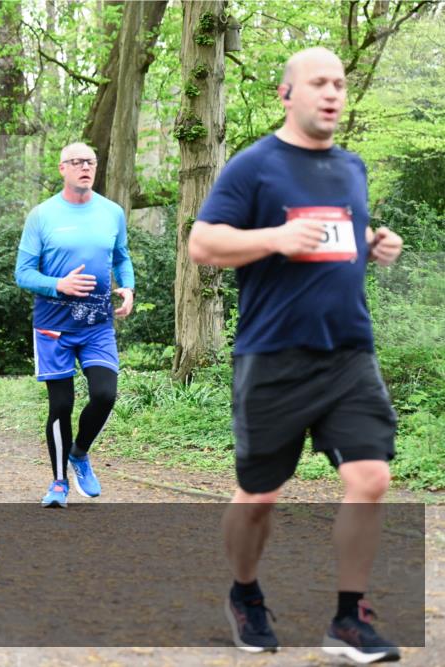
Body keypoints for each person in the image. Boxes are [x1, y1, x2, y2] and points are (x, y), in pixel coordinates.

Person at [187, 47, 403, 663]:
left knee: (371, 477)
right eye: (318, 83)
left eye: (339, 83)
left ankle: (347, 619)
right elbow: (204, 242)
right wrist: (274, 238)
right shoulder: (254, 166)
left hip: (348, 353)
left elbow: (337, 232)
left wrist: (372, 242)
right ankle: (244, 593)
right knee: (259, 496)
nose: (332, 92)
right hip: (273, 355)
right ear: (287, 94)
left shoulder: (351, 169)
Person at [14, 142, 135, 508]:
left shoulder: (112, 212)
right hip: (53, 327)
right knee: (61, 405)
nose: (85, 167)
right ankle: (58, 483)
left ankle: (79, 453)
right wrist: (59, 285)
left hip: (97, 323)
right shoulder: (42, 215)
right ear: (62, 168)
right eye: (77, 162)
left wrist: (127, 286)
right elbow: (23, 274)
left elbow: (121, 257)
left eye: (91, 162)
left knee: (104, 394)